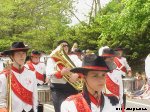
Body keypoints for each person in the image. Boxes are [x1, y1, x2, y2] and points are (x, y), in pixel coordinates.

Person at [0, 42, 38, 112]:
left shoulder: (31, 74)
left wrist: (35, 110)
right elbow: (1, 100)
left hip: (29, 110)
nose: (22, 56)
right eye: (18, 54)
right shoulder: (4, 76)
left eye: (23, 53)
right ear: (12, 56)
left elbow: (35, 96)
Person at [46, 40, 82, 112]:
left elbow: (82, 67)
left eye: (66, 45)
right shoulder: (51, 59)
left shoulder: (74, 57)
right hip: (58, 90)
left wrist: (77, 74)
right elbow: (49, 74)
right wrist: (61, 73)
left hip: (72, 88)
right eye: (63, 45)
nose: (65, 47)